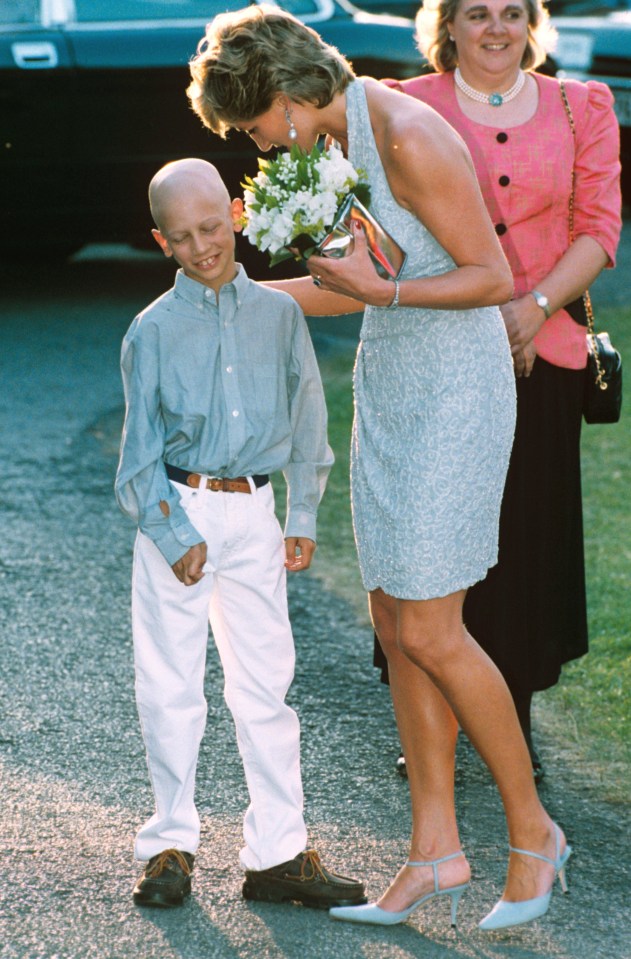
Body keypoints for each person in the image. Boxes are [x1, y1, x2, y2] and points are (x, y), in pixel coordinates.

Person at [186, 4, 572, 932]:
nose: (252, 143)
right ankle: (433, 850)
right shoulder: (336, 137)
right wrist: (234, 301)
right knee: (395, 620)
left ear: (283, 99)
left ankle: (533, 834)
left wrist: (382, 290)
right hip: (395, 380)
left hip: (455, 388)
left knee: (436, 629)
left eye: (248, 126)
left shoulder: (403, 134)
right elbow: (347, 286)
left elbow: (488, 277)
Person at [374, 0, 622, 784]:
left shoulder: (580, 106)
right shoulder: (404, 105)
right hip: (437, 353)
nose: (494, 28)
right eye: (475, 12)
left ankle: (510, 720)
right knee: (433, 533)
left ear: (530, 24)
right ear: (445, 25)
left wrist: (533, 306)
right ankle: (432, 724)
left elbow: (598, 230)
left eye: (510, 12)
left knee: (523, 535)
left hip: (541, 352)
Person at [114, 157, 367, 911]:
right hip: (179, 515)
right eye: (183, 237)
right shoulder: (151, 331)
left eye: (212, 227)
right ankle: (168, 844)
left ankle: (278, 853)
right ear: (162, 242)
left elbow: (305, 418)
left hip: (254, 514)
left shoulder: (279, 315)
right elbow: (138, 454)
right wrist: (169, 529)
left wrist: (297, 514)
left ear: (234, 213)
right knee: (170, 682)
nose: (203, 246)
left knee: (265, 682)